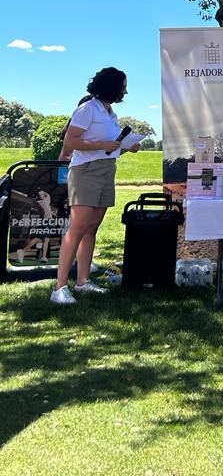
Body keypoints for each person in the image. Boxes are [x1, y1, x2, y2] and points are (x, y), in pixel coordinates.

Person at [51, 67, 140, 304]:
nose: (125, 91)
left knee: (92, 228)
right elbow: (71, 141)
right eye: (123, 86)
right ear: (111, 87)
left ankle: (83, 281)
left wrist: (125, 146)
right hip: (85, 171)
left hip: (106, 170)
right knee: (78, 228)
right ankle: (59, 287)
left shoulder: (110, 114)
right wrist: (104, 143)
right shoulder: (87, 108)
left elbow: (109, 147)